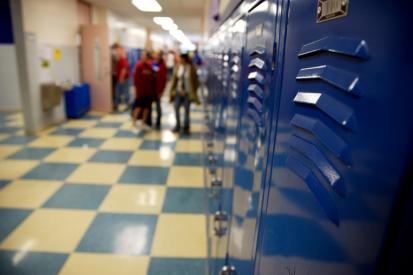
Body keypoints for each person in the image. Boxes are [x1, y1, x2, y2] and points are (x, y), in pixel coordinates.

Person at [170, 53, 200, 135]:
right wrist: (172, 91)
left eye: (180, 58)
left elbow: (196, 81)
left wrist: (193, 91)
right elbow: (175, 80)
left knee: (187, 110)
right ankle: (177, 126)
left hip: (187, 93)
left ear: (184, 59)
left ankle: (186, 127)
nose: (179, 60)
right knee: (176, 109)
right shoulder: (177, 67)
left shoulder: (191, 68)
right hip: (178, 92)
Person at [132, 51, 156, 131]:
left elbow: (152, 78)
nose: (144, 57)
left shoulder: (149, 66)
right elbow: (136, 80)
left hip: (148, 92)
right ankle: (134, 124)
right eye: (143, 56)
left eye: (145, 56)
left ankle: (143, 123)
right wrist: (137, 92)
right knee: (138, 108)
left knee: (146, 109)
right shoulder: (139, 66)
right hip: (140, 92)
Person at [152, 50, 167, 129]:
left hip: (158, 89)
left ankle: (158, 122)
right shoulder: (154, 63)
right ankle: (149, 121)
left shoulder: (162, 65)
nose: (155, 55)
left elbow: (163, 79)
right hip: (151, 89)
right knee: (150, 106)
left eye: (156, 54)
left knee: (158, 106)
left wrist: (161, 91)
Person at [114, 45, 130, 111]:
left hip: (123, 79)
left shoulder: (123, 59)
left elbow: (124, 69)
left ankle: (127, 104)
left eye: (118, 51)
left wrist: (121, 78)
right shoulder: (120, 59)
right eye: (116, 51)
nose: (117, 52)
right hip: (120, 79)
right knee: (118, 91)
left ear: (121, 51)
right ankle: (116, 104)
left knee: (125, 92)